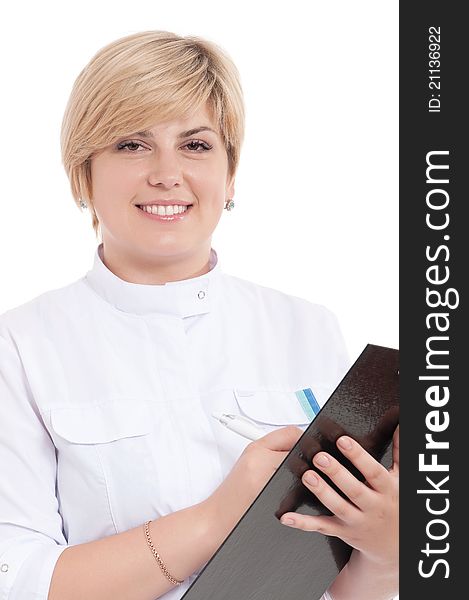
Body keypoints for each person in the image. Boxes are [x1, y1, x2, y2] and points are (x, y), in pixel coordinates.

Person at [0, 30, 398, 600]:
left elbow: (338, 584)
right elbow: (17, 579)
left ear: (230, 174)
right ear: (83, 172)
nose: (167, 173)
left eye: (196, 145)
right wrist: (218, 517)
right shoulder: (19, 345)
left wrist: (386, 550)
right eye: (132, 145)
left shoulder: (308, 328)